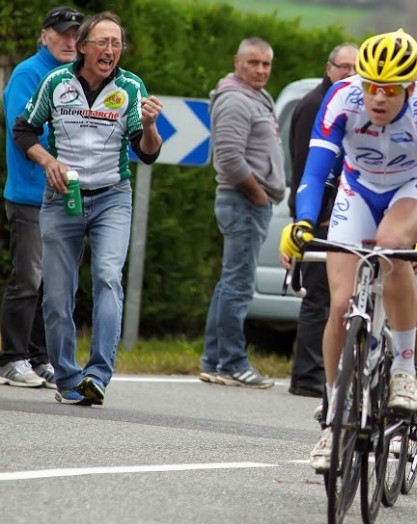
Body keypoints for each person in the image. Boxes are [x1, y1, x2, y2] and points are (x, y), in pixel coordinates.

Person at [280, 29, 417, 470]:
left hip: (409, 191)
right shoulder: (342, 98)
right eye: (371, 87)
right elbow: (313, 172)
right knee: (340, 304)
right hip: (357, 190)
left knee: (391, 246)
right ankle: (333, 415)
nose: (378, 98)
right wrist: (301, 223)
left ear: (410, 88)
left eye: (390, 90)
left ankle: (402, 369)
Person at [13, 11, 163, 405]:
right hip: (63, 197)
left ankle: (97, 374)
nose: (111, 50)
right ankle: (67, 379)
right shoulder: (56, 83)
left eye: (117, 43)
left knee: (108, 277)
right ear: (82, 47)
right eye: (103, 42)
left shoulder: (130, 87)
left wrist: (149, 127)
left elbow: (145, 155)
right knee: (58, 293)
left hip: (113, 196)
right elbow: (23, 128)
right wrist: (48, 162)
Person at [0, 6, 84, 390]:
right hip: (30, 193)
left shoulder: (74, 77)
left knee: (54, 281)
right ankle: (11, 358)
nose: (71, 41)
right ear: (44, 35)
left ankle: (39, 357)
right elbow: (23, 131)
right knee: (28, 278)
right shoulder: (28, 74)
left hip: (63, 194)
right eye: (63, 33)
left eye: (75, 35)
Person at [200, 37, 286, 389]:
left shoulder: (255, 97)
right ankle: (233, 362)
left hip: (248, 203)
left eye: (266, 64)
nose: (261, 70)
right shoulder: (235, 100)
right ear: (238, 61)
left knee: (230, 283)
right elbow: (230, 158)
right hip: (244, 202)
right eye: (254, 63)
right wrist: (260, 196)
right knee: (237, 285)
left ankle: (215, 360)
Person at [287, 42, 358, 399]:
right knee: (319, 296)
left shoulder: (346, 107)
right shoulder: (318, 104)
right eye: (342, 67)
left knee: (333, 297)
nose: (349, 74)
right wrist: (309, 220)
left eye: (355, 68)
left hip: (336, 215)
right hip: (320, 218)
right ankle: (308, 374)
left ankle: (319, 370)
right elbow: (307, 171)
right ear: (328, 68)